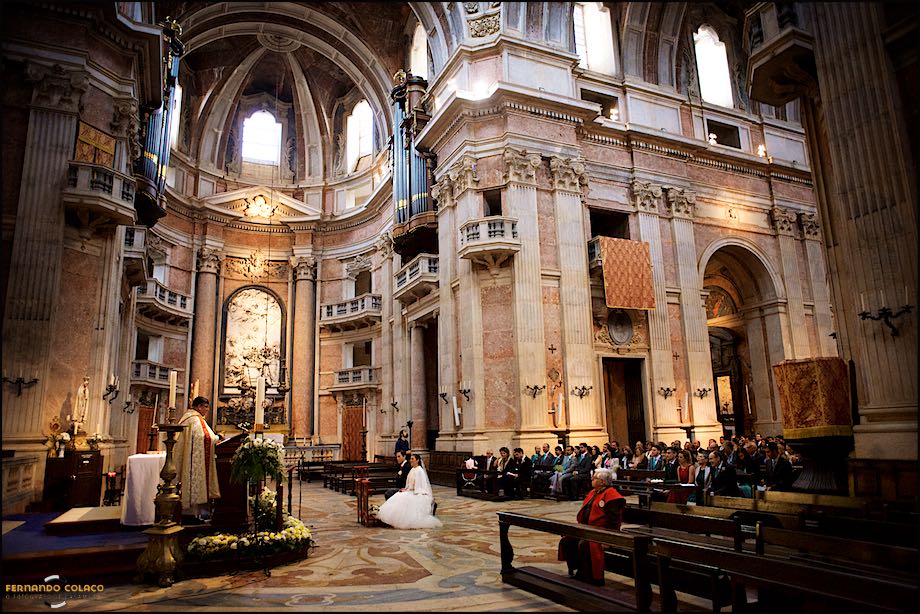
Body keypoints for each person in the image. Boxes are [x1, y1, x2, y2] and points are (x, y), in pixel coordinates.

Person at [557, 468, 625, 585]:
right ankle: (578, 569)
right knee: (567, 541)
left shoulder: (612, 496)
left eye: (594, 478)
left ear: (602, 482)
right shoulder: (594, 492)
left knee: (584, 544)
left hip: (601, 532)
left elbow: (614, 521)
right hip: (587, 529)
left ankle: (591, 576)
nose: (591, 480)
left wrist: (609, 540)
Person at [175, 396, 221, 520]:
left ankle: (193, 513)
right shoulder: (195, 419)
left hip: (189, 455)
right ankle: (190, 515)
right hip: (192, 460)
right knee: (192, 483)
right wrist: (218, 438)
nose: (207, 410)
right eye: (205, 407)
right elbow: (204, 437)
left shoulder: (188, 417)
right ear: (198, 406)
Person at [376, 453, 442, 529]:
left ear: (417, 460)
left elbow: (421, 485)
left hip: (417, 492)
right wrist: (406, 489)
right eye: (410, 459)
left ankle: (399, 519)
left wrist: (412, 490)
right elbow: (409, 483)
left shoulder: (420, 470)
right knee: (397, 495)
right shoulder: (412, 469)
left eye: (412, 459)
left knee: (404, 499)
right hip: (409, 490)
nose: (411, 460)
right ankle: (388, 516)